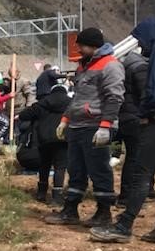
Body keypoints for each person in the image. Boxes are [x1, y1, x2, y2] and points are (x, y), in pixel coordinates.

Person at [91, 18, 155, 245]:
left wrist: (145, 112)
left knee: (141, 174)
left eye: (142, 39)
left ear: (151, 35)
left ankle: (123, 226)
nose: (141, 45)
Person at [46, 27, 123, 228]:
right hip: (78, 126)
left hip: (95, 126)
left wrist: (105, 126)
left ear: (92, 45)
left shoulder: (110, 66)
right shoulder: (83, 67)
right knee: (76, 169)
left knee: (99, 169)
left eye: (81, 45)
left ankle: (104, 212)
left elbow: (114, 98)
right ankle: (70, 210)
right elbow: (78, 98)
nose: (78, 49)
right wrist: (65, 119)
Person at [18, 79, 69, 204]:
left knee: (44, 165)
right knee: (60, 167)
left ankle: (41, 193)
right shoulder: (71, 103)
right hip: (63, 138)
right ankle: (57, 197)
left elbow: (24, 115)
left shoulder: (43, 103)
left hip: (44, 139)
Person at [115, 50, 149, 207]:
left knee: (130, 157)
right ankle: (127, 197)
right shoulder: (140, 67)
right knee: (135, 158)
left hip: (124, 117)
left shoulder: (124, 67)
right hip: (135, 118)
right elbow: (145, 94)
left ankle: (127, 195)